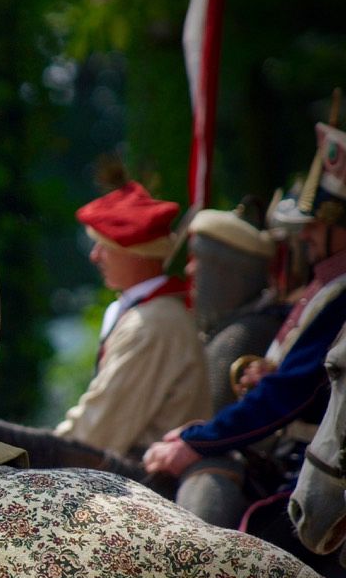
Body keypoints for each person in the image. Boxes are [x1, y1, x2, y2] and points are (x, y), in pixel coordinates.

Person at [145, 118, 346, 555]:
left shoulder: (340, 296)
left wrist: (202, 440)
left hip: (308, 467)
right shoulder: (325, 288)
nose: (306, 235)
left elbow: (291, 391)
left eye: (317, 225)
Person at [53, 180, 211, 455]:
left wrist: (40, 451)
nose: (94, 256)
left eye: (104, 245)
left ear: (137, 254)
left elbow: (98, 432)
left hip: (145, 473)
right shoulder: (148, 312)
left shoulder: (151, 324)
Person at [186, 202, 285, 413]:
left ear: (225, 271)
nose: (189, 269)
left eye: (198, 260)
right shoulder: (230, 327)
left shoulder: (245, 334)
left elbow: (209, 416)